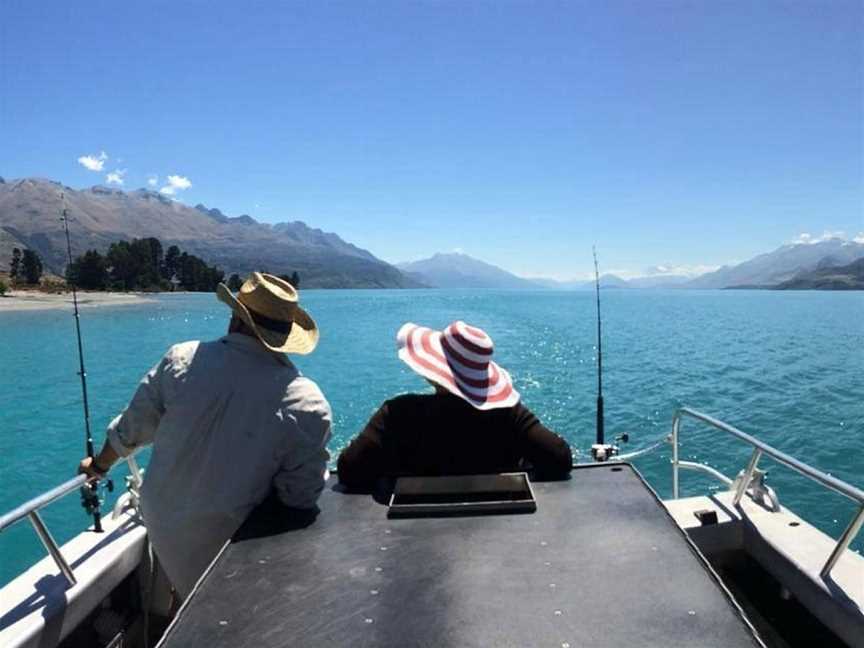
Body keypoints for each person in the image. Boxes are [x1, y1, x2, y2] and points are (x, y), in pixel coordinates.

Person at [77, 272, 331, 598]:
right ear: (283, 337)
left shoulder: (181, 358)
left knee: (185, 581)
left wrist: (97, 467)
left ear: (236, 317)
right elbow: (300, 497)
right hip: (230, 544)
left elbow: (130, 431)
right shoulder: (307, 403)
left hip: (163, 524)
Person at [337, 321, 572, 487]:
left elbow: (350, 471)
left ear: (432, 372)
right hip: (495, 535)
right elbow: (559, 458)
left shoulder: (397, 413)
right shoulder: (510, 415)